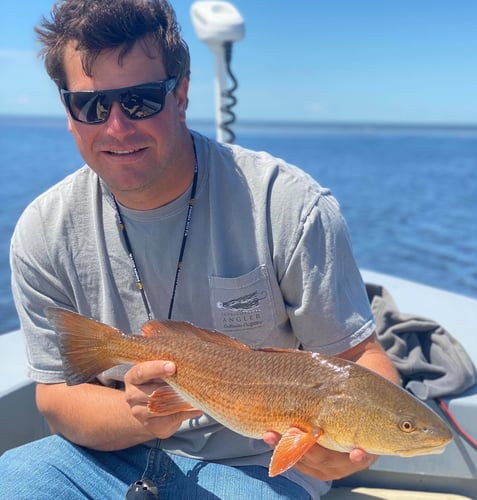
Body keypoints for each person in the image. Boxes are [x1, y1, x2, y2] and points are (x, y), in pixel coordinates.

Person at [0, 1, 400, 498]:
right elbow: (57, 398)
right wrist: (140, 414)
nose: (118, 127)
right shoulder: (43, 229)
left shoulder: (288, 205)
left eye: (141, 99)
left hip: (254, 462)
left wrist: (352, 449)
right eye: (92, 105)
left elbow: (358, 356)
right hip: (104, 455)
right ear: (68, 111)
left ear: (181, 93)